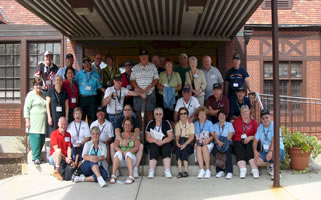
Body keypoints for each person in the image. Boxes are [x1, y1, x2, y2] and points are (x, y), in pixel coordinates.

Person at [112, 104, 143, 178]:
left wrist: (128, 141)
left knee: (141, 146)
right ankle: (116, 169)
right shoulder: (120, 120)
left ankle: (135, 168)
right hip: (122, 142)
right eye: (125, 110)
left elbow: (136, 132)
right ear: (123, 111)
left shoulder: (135, 120)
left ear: (132, 111)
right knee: (112, 145)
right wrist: (122, 141)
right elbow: (117, 132)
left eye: (129, 110)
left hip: (131, 142)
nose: (127, 111)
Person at [130, 49, 159, 129]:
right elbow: (132, 80)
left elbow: (156, 79)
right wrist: (139, 90)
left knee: (150, 113)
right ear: (139, 57)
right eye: (142, 56)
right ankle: (141, 133)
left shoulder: (152, 66)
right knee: (139, 114)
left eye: (145, 56)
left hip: (150, 93)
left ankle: (149, 132)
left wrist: (149, 87)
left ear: (148, 56)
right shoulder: (135, 68)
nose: (144, 57)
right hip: (138, 94)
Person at [253, 109, 285, 180]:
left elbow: (274, 139)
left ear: (270, 117)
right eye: (263, 118)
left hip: (278, 149)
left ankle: (276, 172)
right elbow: (255, 140)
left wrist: (270, 151)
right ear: (261, 119)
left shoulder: (274, 126)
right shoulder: (260, 128)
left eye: (267, 117)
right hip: (267, 151)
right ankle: (272, 165)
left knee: (274, 153)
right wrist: (255, 151)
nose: (265, 120)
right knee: (257, 161)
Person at [74, 57, 105, 125]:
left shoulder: (96, 75)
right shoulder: (79, 74)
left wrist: (106, 91)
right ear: (83, 64)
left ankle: (92, 134)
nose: (86, 65)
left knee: (92, 118)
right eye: (85, 63)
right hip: (82, 99)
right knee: (81, 117)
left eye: (88, 63)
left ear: (91, 64)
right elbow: (73, 83)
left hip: (92, 99)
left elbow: (99, 87)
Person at [110, 118, 140, 184]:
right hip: (121, 160)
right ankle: (113, 176)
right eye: (125, 124)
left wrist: (128, 152)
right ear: (123, 126)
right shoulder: (119, 135)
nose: (127, 126)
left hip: (131, 160)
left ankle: (131, 176)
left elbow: (136, 147)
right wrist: (123, 152)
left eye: (129, 125)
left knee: (128, 154)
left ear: (132, 126)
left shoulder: (134, 135)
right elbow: (115, 146)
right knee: (118, 153)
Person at [146, 108, 173, 179]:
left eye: (160, 114)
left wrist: (163, 141)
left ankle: (167, 170)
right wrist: (155, 141)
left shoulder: (166, 123)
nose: (158, 116)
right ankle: (151, 171)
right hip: (154, 142)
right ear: (154, 115)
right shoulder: (151, 123)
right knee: (153, 147)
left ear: (162, 115)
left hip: (164, 142)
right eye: (156, 114)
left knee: (167, 147)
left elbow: (170, 136)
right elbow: (148, 138)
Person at [232, 105, 259, 179]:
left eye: (246, 111)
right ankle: (243, 169)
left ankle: (254, 169)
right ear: (240, 113)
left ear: (249, 112)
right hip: (238, 141)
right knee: (238, 147)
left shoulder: (253, 122)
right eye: (242, 112)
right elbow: (232, 133)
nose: (244, 113)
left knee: (250, 147)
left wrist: (251, 137)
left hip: (250, 141)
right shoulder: (236, 121)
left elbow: (258, 135)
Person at [24, 79, 47, 165]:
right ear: (34, 85)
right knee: (35, 138)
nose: (38, 87)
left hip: (42, 121)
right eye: (36, 85)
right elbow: (26, 108)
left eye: (40, 85)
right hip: (34, 121)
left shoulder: (44, 95)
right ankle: (35, 157)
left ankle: (38, 155)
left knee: (41, 139)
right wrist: (27, 120)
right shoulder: (30, 95)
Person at [212, 110, 235, 179]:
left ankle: (229, 172)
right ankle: (220, 171)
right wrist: (218, 142)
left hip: (227, 141)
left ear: (225, 117)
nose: (221, 117)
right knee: (215, 151)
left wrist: (225, 142)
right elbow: (214, 135)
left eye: (223, 115)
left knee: (227, 151)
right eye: (220, 115)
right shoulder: (215, 125)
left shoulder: (229, 124)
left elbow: (230, 134)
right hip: (218, 142)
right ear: (218, 117)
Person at [194, 106, 214, 179]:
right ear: (198, 116)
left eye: (203, 114)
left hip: (208, 143)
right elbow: (194, 136)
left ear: (206, 115)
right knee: (198, 148)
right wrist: (196, 142)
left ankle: (208, 170)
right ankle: (202, 169)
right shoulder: (195, 124)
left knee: (204, 148)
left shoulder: (209, 123)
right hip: (199, 143)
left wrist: (208, 139)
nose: (202, 116)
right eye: (200, 114)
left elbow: (213, 135)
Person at [175, 107, 195, 178]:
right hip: (180, 140)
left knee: (184, 150)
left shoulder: (191, 124)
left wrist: (185, 144)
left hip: (188, 142)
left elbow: (192, 137)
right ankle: (180, 171)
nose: (183, 115)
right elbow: (177, 136)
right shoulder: (177, 124)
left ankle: (185, 170)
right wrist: (177, 142)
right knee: (178, 149)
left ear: (187, 115)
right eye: (181, 114)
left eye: (184, 113)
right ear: (179, 115)